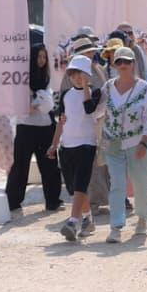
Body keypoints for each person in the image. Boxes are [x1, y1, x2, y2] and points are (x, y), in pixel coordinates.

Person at [98, 46, 147, 243]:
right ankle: (116, 226)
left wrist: (144, 142)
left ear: (133, 64)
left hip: (136, 142)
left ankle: (142, 218)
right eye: (119, 61)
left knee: (140, 181)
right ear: (114, 64)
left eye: (126, 61)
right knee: (117, 184)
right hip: (112, 143)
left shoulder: (144, 88)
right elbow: (96, 111)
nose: (122, 65)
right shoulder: (107, 87)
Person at [50, 54, 103, 242]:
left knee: (81, 183)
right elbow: (61, 121)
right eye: (73, 74)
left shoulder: (95, 92)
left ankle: (73, 221)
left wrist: (86, 86)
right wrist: (54, 144)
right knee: (74, 188)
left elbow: (89, 109)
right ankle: (88, 219)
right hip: (67, 146)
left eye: (81, 74)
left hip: (87, 144)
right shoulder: (65, 95)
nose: (77, 78)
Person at [5, 43, 64, 212]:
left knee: (49, 165)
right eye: (39, 56)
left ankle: (52, 200)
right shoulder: (22, 79)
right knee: (20, 165)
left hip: (45, 126)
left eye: (44, 57)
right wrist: (33, 104)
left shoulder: (46, 79)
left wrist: (43, 102)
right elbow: (18, 105)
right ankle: (12, 201)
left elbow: (50, 104)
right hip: (26, 127)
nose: (42, 60)